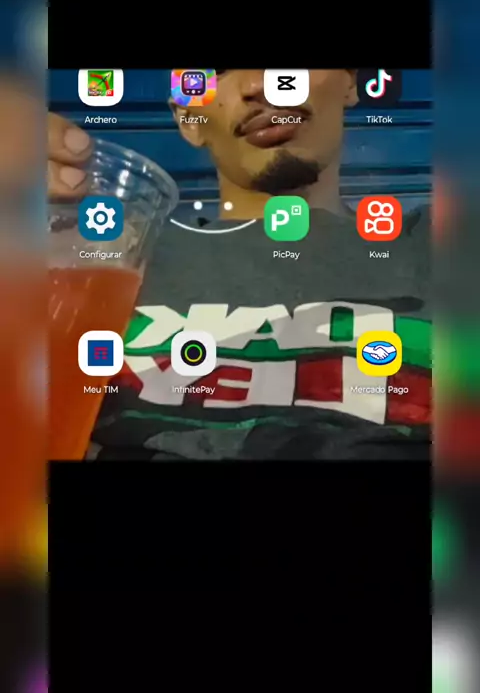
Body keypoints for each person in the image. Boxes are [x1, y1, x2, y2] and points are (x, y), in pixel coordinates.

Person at [48, 69, 431, 459]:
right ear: (189, 119)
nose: (257, 86)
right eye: (218, 71)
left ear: (349, 81)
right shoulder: (106, 262)